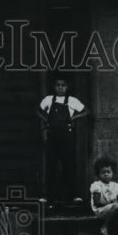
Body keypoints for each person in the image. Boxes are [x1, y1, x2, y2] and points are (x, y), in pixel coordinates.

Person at [38, 74, 89, 204]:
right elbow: (38, 111)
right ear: (54, 87)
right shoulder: (48, 99)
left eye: (63, 85)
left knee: (69, 165)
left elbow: (86, 111)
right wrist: (46, 120)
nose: (60, 88)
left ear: (67, 87)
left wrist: (73, 118)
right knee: (50, 165)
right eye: (58, 85)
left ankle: (74, 195)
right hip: (52, 137)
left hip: (67, 136)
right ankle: (47, 195)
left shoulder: (72, 100)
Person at [90, 156, 118, 235]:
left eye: (108, 172)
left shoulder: (116, 186)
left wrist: (116, 204)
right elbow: (96, 202)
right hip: (101, 210)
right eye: (103, 172)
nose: (106, 174)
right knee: (117, 207)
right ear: (98, 174)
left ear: (113, 173)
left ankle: (110, 229)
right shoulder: (97, 185)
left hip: (112, 209)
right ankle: (104, 227)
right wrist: (112, 205)